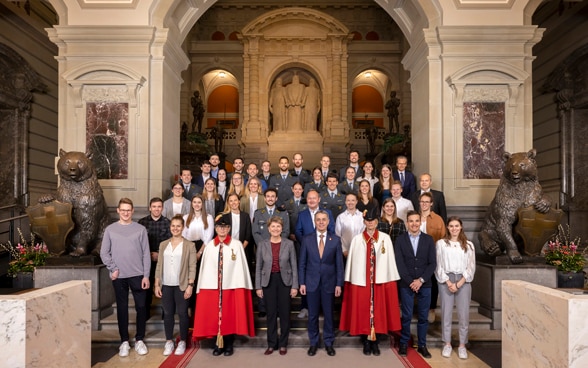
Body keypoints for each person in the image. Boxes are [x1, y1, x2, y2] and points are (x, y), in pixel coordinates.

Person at [340, 207, 401, 356]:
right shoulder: (356, 239)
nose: (370, 223)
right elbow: (352, 263)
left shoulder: (385, 238)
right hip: (362, 281)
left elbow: (389, 262)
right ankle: (366, 341)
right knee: (362, 310)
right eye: (368, 221)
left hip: (380, 281)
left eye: (373, 221)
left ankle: (376, 341)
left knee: (379, 310)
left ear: (377, 222)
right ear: (364, 222)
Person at [193, 217, 255, 356]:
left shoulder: (237, 245)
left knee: (229, 315)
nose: (222, 229)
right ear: (215, 229)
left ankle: (228, 344)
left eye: (225, 227)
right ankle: (218, 344)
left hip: (231, 285)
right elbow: (205, 268)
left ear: (229, 229)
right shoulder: (209, 246)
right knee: (214, 316)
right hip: (212, 286)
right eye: (220, 227)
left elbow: (241, 267)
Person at [100, 198, 151, 357]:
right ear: (118, 210)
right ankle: (124, 342)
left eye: (128, 210)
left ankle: (139, 340)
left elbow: (146, 254)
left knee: (141, 307)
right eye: (123, 210)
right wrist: (113, 268)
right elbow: (104, 252)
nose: (126, 212)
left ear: (133, 211)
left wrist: (146, 275)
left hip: (138, 274)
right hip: (119, 275)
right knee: (122, 309)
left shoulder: (140, 229)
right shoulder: (110, 229)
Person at [299, 210, 344, 357]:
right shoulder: (307, 239)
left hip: (329, 283)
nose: (321, 222)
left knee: (329, 315)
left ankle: (329, 342)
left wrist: (339, 284)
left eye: (324, 219)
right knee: (312, 315)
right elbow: (302, 263)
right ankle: (313, 342)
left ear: (328, 221)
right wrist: (302, 283)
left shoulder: (335, 240)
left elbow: (339, 265)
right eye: (318, 219)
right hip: (311, 283)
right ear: (315, 222)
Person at [394, 210, 437, 359]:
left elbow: (432, 263)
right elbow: (399, 264)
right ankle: (404, 343)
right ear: (407, 223)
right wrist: (410, 281)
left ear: (420, 222)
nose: (414, 224)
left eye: (416, 221)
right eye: (411, 221)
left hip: (425, 284)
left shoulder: (429, 240)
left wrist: (421, 280)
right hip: (407, 284)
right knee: (406, 316)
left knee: (423, 317)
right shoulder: (400, 240)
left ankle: (422, 345)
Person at [255, 216, 298, 356]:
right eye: (273, 226)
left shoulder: (289, 244)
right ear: (268, 228)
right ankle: (272, 343)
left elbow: (294, 266)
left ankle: (283, 344)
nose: (275, 229)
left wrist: (294, 286)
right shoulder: (262, 244)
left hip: (285, 281)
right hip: (268, 281)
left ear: (282, 229)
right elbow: (258, 266)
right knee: (271, 314)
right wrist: (258, 286)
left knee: (285, 314)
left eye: (278, 227)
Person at [154, 215, 196, 356]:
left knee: (183, 313)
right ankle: (169, 342)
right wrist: (157, 284)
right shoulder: (163, 245)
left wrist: (190, 285)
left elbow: (192, 266)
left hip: (181, 285)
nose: (175, 228)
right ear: (170, 227)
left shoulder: (189, 245)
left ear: (182, 228)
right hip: (166, 284)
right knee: (168, 314)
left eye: (178, 226)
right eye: (173, 226)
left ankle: (183, 341)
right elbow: (159, 265)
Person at [435, 216, 476, 360]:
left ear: (461, 227)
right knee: (446, 313)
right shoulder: (441, 244)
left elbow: (471, 267)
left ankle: (462, 345)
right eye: (451, 226)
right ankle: (447, 343)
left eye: (456, 226)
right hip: (446, 280)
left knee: (463, 315)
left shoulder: (469, 245)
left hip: (463, 280)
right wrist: (448, 282)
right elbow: (438, 265)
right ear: (447, 227)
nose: (454, 229)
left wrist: (459, 283)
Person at [294, 189, 335, 319]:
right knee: (308, 280)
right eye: (309, 198)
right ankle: (305, 307)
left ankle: (323, 308)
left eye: (314, 198)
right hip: (308, 252)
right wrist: (309, 245)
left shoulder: (327, 213)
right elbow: (298, 231)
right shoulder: (302, 214)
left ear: (319, 199)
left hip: (326, 251)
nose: (312, 200)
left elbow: (332, 229)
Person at [138, 197, 172, 319]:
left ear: (162, 208)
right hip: (145, 261)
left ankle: (165, 313)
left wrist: (159, 254)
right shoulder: (142, 223)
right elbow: (138, 243)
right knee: (146, 286)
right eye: (154, 206)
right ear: (150, 208)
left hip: (163, 260)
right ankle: (145, 313)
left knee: (163, 286)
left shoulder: (168, 223)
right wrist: (149, 254)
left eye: (159, 207)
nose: (156, 209)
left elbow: (170, 242)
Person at [419, 191, 447, 323]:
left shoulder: (438, 219)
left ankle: (431, 309)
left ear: (431, 204)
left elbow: (443, 239)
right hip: (417, 257)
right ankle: (419, 308)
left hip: (432, 256)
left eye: (426, 202)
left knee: (432, 283)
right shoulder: (415, 217)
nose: (424, 204)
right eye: (422, 202)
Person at [335, 193, 365, 257]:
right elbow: (338, 236)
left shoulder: (362, 216)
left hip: (360, 251)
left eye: (353, 200)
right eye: (348, 200)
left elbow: (364, 233)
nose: (350, 202)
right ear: (345, 202)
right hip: (345, 253)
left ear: (356, 202)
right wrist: (344, 250)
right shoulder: (340, 217)